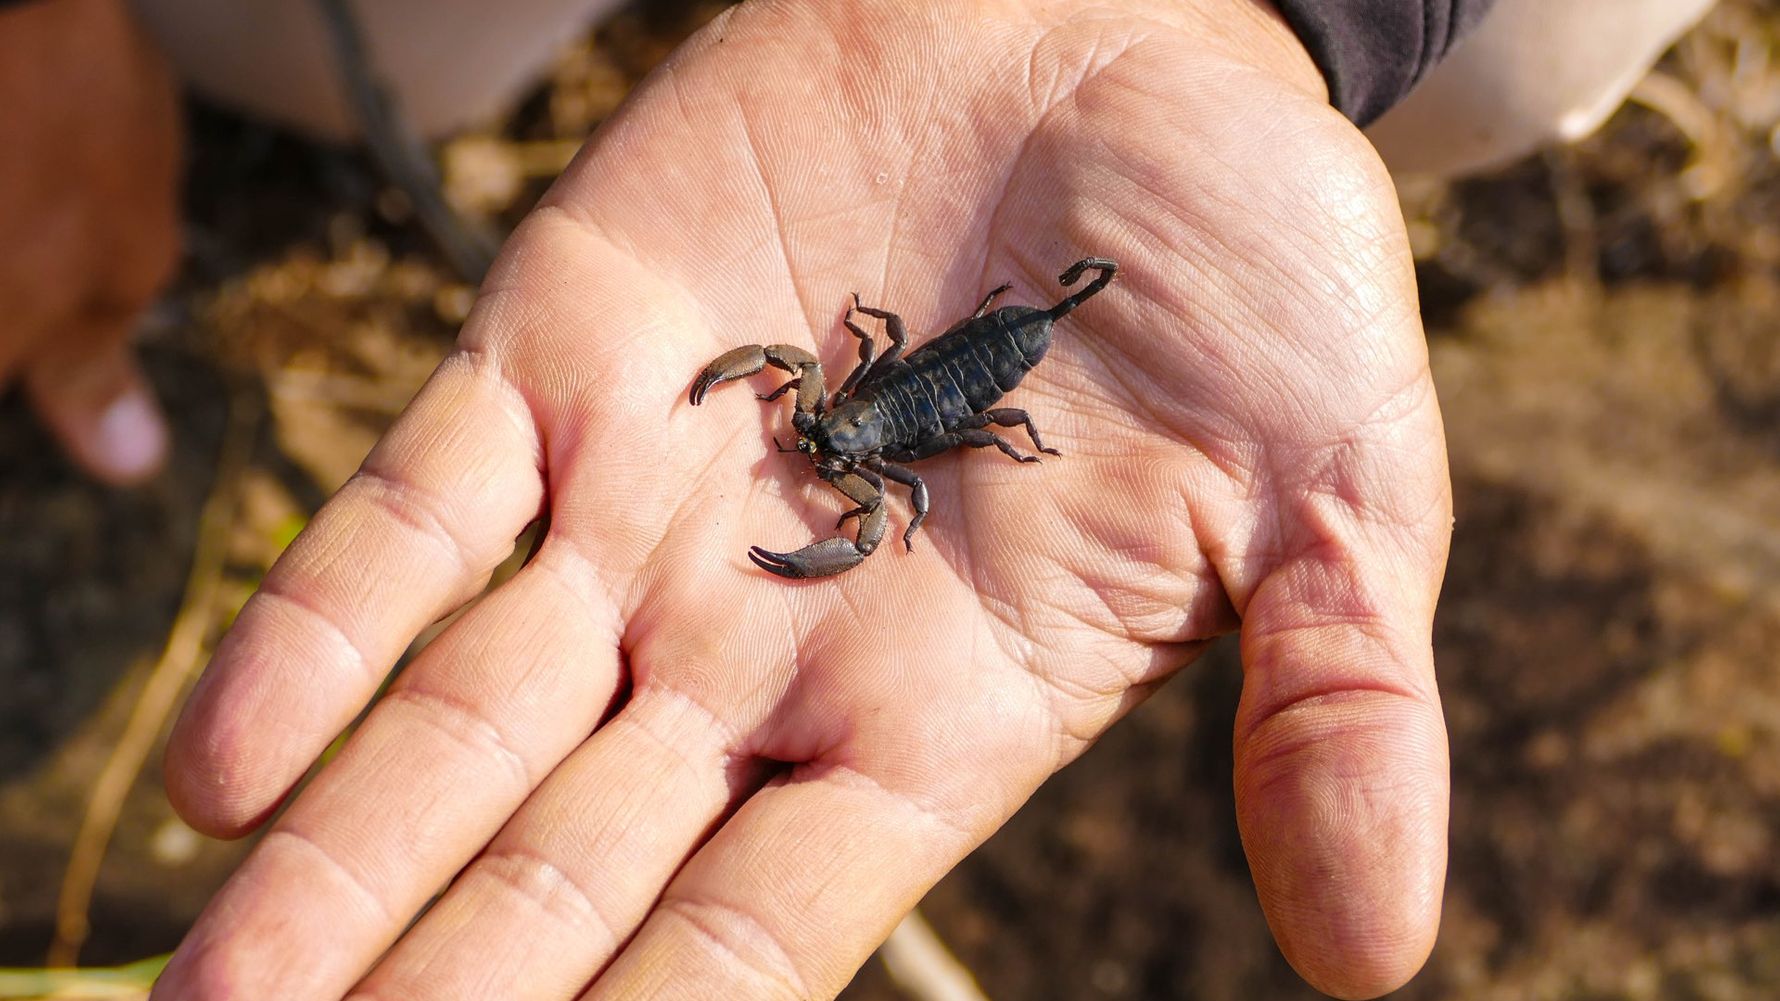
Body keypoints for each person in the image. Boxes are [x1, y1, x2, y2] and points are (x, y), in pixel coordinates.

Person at [0, 0, 1715, 998]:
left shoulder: (879, 453)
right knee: (337, 47)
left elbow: (898, 479)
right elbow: (855, 416)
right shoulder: (846, 429)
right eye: (809, 444)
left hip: (976, 365)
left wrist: (1263, 12)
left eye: (816, 458)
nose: (808, 457)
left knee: (1504, 70)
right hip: (943, 373)